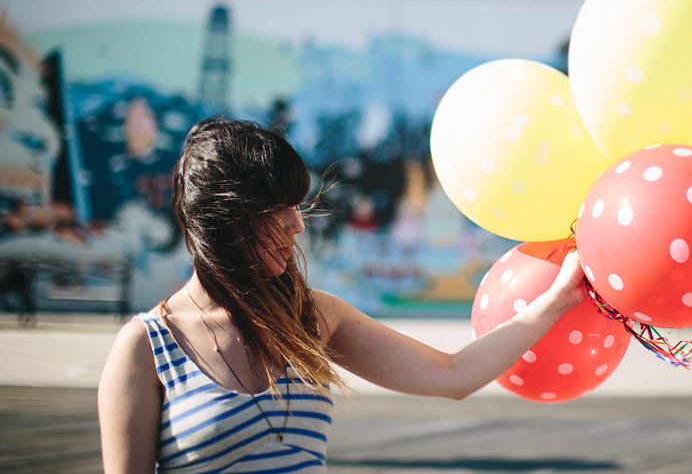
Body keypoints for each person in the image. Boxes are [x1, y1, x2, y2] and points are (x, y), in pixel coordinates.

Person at [98, 117, 587, 473]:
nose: (295, 224)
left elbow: (453, 375)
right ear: (223, 221)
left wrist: (559, 297)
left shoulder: (314, 317)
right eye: (276, 209)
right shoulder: (145, 348)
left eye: (295, 205)